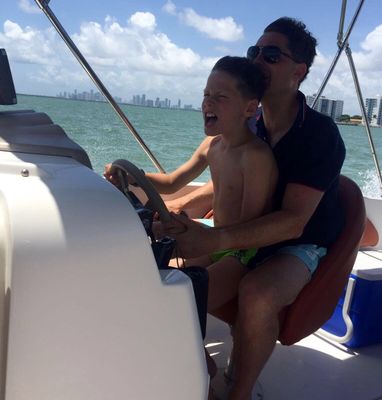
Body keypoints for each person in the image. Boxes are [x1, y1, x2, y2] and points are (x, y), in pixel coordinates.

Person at [164, 17, 346, 400]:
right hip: (246, 235)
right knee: (170, 280)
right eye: (255, 51)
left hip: (297, 244)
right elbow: (222, 184)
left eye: (272, 55)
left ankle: (240, 393)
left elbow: (294, 222)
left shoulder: (319, 135)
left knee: (257, 293)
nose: (258, 60)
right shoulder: (248, 125)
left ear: (299, 72)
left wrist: (215, 239)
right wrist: (174, 208)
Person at [105, 56, 278, 312]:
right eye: (206, 94)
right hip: (214, 240)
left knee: (180, 306)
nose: (208, 102)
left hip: (244, 253)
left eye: (221, 97)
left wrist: (192, 230)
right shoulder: (212, 146)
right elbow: (171, 182)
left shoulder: (255, 157)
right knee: (149, 277)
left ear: (249, 109)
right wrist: (133, 176)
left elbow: (249, 226)